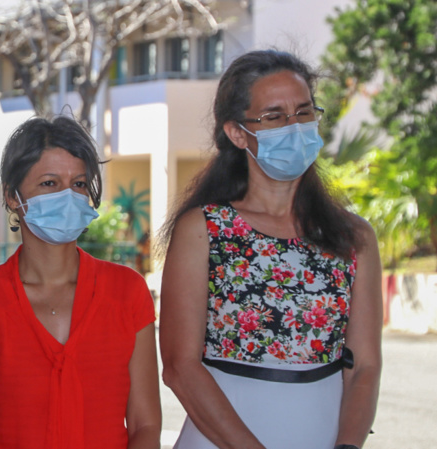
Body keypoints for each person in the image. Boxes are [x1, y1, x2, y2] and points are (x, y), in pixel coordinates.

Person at [159, 50, 382, 449]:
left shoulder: (353, 237)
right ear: (237, 133)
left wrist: (348, 446)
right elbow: (180, 367)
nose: (294, 127)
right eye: (274, 116)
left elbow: (364, 366)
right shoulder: (205, 229)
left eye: (304, 112)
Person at [0, 116, 162, 449]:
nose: (68, 196)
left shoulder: (127, 292)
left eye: (79, 184)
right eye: (49, 183)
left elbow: (146, 425)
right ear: (12, 196)